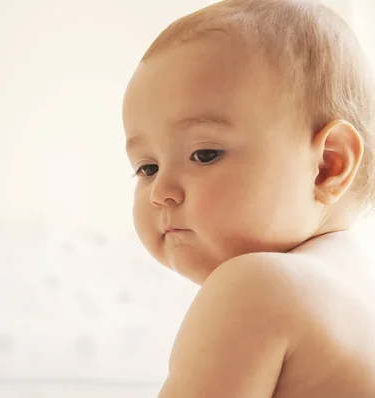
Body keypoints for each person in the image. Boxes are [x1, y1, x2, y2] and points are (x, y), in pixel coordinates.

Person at [121, 0, 375, 396]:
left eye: (204, 154)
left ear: (327, 165)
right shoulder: (355, 289)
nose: (161, 192)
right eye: (147, 168)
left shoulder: (255, 285)